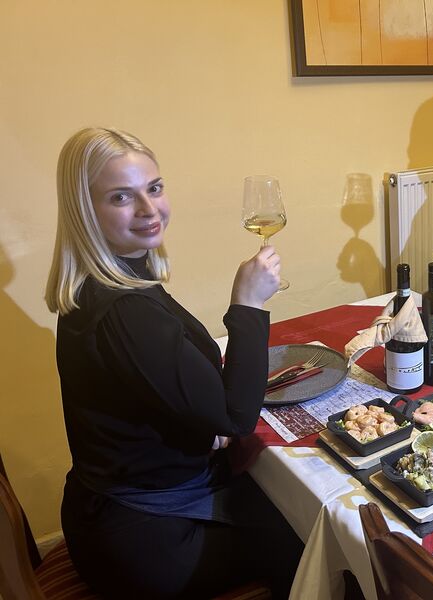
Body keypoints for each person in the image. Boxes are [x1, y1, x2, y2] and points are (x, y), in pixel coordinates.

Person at [45, 127, 303, 598]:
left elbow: (154, 389)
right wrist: (248, 304)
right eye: (122, 196)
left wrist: (205, 423)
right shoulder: (125, 309)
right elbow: (236, 417)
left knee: (284, 492)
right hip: (145, 537)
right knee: (306, 533)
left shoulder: (110, 278)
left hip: (116, 506)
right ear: (85, 210)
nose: (149, 209)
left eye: (154, 188)